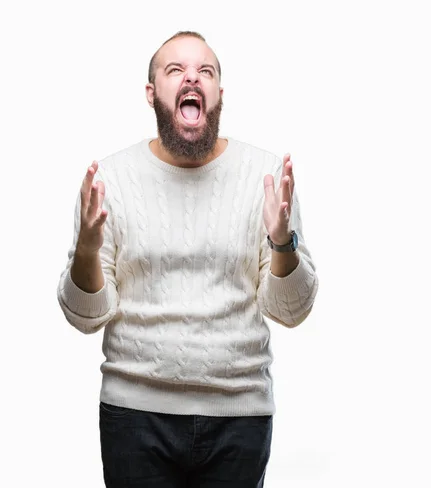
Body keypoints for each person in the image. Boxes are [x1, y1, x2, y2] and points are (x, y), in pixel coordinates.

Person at [56, 30, 319, 488]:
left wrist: (282, 242)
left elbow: (291, 310)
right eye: (174, 69)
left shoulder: (267, 178)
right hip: (134, 416)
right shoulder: (111, 180)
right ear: (152, 92)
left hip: (240, 415)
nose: (191, 77)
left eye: (206, 71)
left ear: (219, 92)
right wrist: (86, 249)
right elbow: (85, 316)